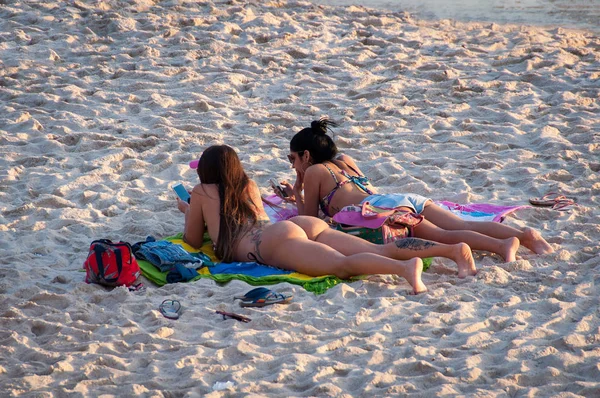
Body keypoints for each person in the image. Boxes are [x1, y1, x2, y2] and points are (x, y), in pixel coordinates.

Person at [176, 146, 479, 295]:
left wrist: (188, 209)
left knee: (340, 266)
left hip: (273, 241)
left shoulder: (202, 192)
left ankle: (404, 269)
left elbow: (191, 241)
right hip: (294, 227)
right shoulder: (248, 185)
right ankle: (452, 251)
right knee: (376, 250)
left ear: (206, 171)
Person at [278, 118, 554, 263]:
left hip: (383, 209)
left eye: (292, 159)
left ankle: (503, 245)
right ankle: (525, 236)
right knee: (460, 223)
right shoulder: (344, 161)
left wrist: (299, 188)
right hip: (400, 198)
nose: (292, 165)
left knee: (446, 235)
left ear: (305, 155)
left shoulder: (313, 172)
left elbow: (309, 218)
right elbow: (363, 188)